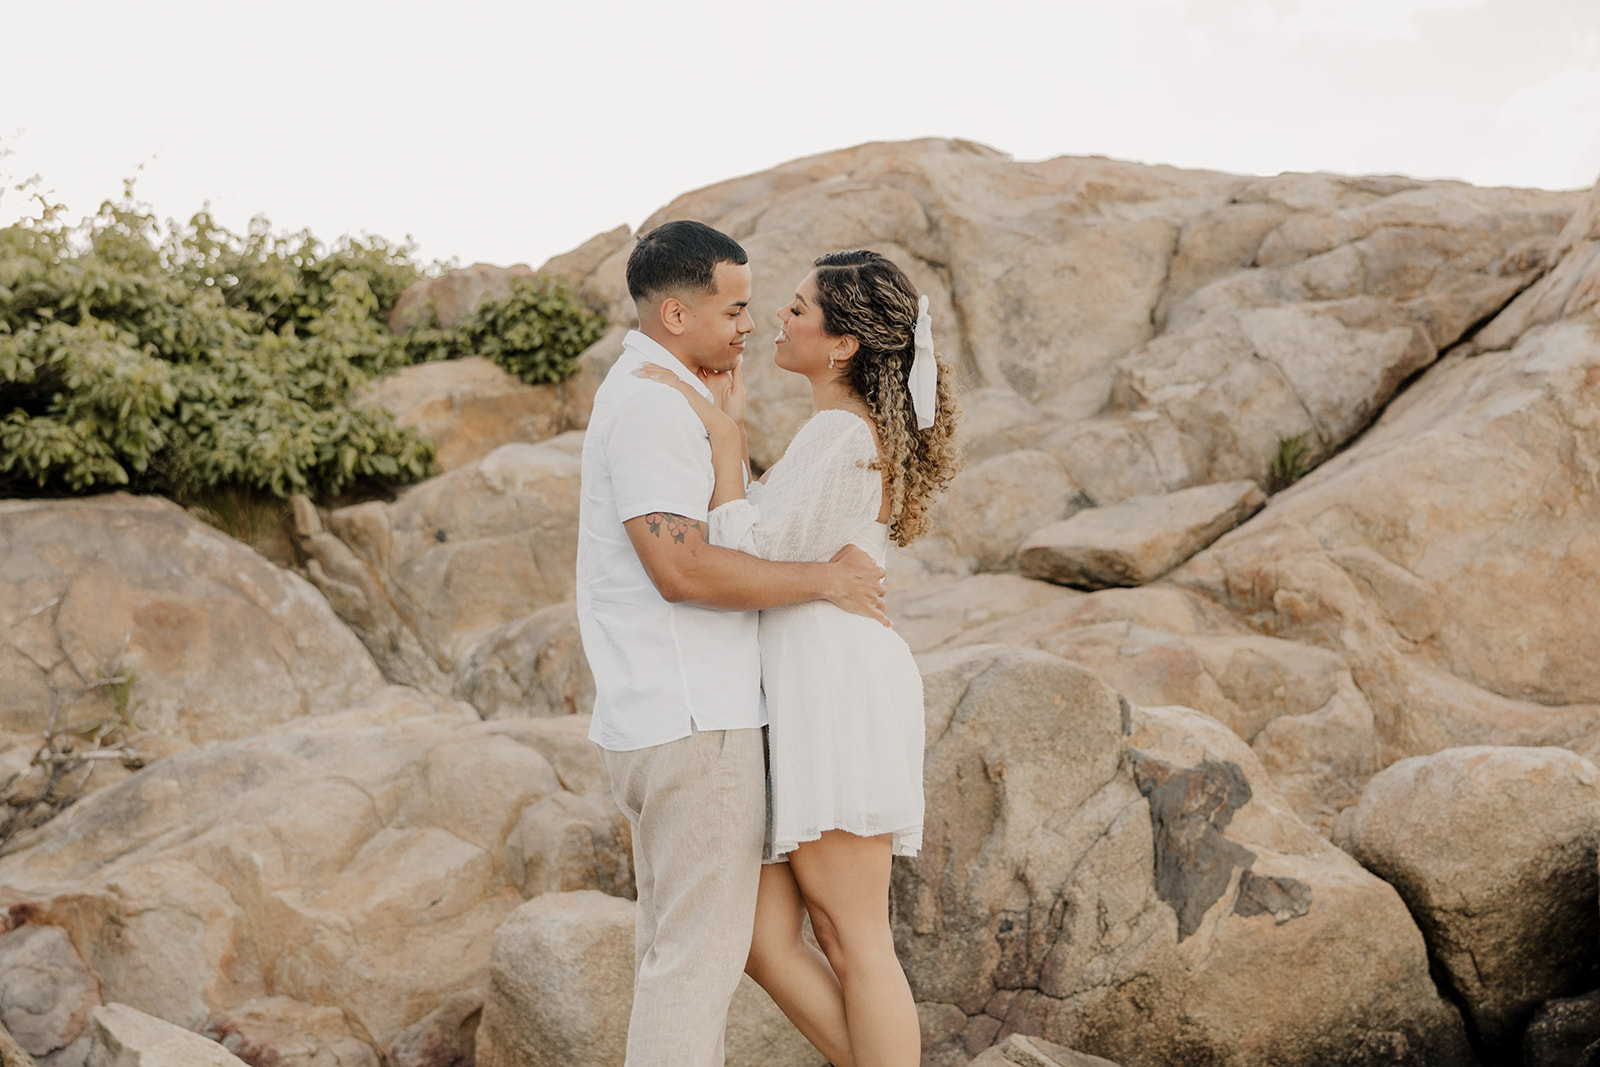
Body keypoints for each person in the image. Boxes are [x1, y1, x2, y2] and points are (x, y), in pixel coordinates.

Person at [575, 220, 891, 1067]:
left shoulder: (668, 394)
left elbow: (729, 532)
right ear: (677, 315)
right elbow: (681, 569)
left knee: (682, 958)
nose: (752, 325)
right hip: (694, 721)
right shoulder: (650, 403)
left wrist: (729, 440)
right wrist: (825, 580)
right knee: (690, 971)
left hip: (677, 715)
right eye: (738, 307)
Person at [635, 249, 959, 1067]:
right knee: (762, 935)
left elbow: (754, 553)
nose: (778, 319)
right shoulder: (835, 433)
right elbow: (771, 555)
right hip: (804, 685)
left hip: (835, 687)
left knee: (855, 939)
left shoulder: (841, 432)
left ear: (843, 344)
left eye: (799, 309)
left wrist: (724, 441)